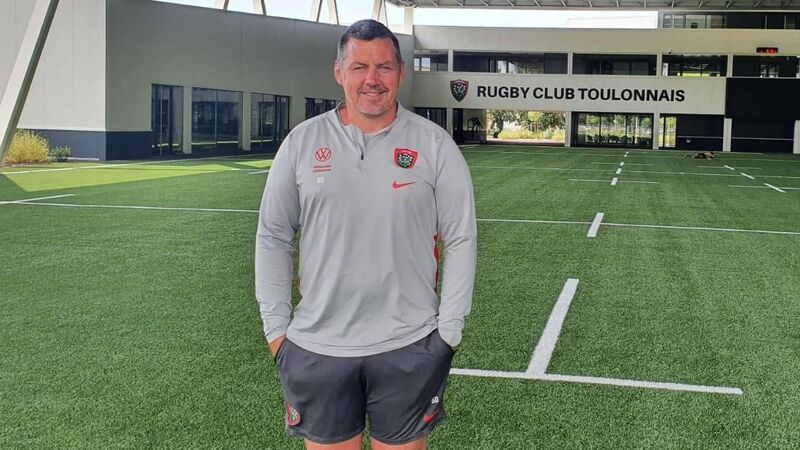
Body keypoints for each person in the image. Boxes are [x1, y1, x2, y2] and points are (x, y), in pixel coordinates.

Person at [255, 19, 476, 450]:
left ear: (400, 72)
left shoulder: (435, 145)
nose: (372, 79)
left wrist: (449, 332)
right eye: (359, 67)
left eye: (384, 67)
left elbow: (461, 238)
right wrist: (276, 330)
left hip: (409, 343)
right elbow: (273, 235)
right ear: (339, 72)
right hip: (317, 346)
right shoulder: (302, 143)